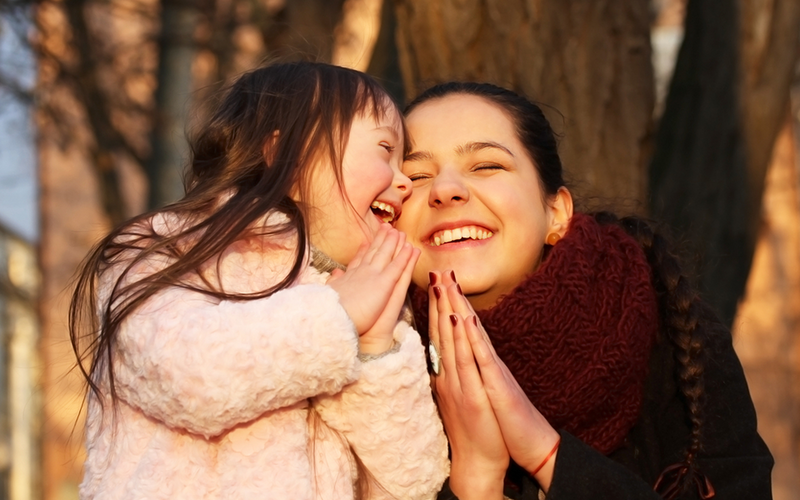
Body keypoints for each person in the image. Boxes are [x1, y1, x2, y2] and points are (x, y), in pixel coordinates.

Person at [69, 62, 449, 500]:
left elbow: (414, 479)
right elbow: (194, 379)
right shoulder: (166, 252)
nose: (403, 182)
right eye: (385, 150)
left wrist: (377, 349)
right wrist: (336, 316)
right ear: (289, 157)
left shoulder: (370, 300)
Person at [394, 82, 773, 500]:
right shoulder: (372, 370)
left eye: (486, 166)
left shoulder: (673, 334)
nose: (445, 190)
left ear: (556, 213)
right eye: (416, 176)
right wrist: (477, 480)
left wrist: (545, 452)